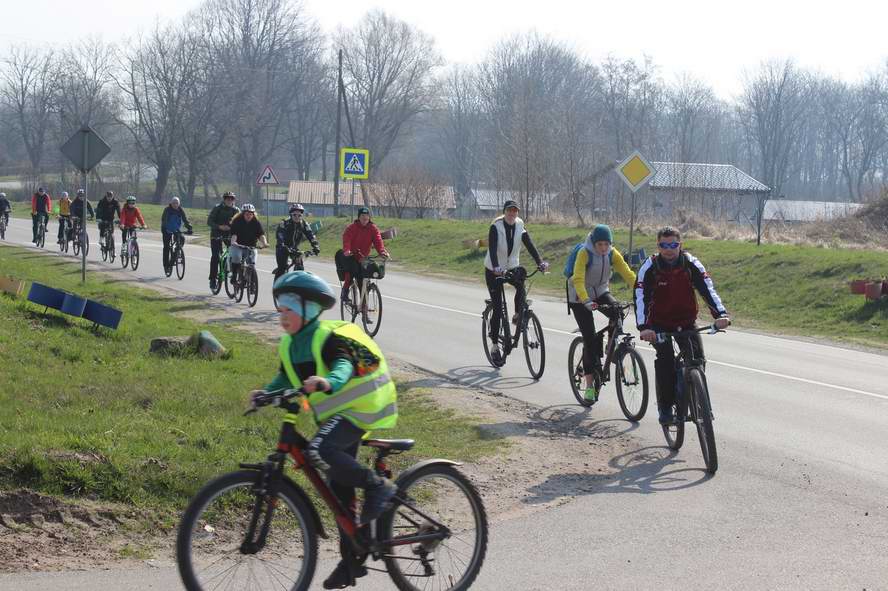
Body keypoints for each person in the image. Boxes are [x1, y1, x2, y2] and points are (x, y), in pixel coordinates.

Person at [251, 271, 397, 590]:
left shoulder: (327, 338)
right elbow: (284, 378)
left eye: (289, 307)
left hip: (363, 406)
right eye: (280, 307)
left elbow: (342, 364)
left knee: (319, 451)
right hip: (337, 415)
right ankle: (351, 562)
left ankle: (377, 486)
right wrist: (264, 393)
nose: (282, 314)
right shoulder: (290, 345)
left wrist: (329, 380)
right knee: (337, 491)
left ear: (309, 310)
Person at [635, 227, 730, 424]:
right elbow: (640, 297)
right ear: (658, 246)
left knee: (698, 360)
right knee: (665, 360)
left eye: (673, 245)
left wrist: (720, 314)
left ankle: (701, 404)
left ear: (680, 245)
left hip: (686, 321)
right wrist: (645, 327)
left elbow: (707, 288)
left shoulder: (691, 264)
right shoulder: (649, 267)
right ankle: (665, 407)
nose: (668, 249)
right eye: (664, 245)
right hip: (659, 324)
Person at [567, 224, 636, 403]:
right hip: (579, 296)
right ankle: (589, 387)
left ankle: (610, 349)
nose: (604, 248)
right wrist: (586, 300)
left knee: (617, 312)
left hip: (600, 291)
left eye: (607, 244)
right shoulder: (585, 253)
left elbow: (628, 274)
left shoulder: (612, 254)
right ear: (594, 243)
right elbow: (578, 279)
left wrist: (641, 292)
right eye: (600, 245)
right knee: (590, 340)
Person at [483, 200, 548, 364]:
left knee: (522, 284)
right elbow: (492, 248)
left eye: (515, 211)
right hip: (493, 269)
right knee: (497, 308)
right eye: (509, 211)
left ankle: (517, 315)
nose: (512, 214)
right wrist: (496, 267)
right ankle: (494, 347)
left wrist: (540, 262)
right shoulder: (496, 226)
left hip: (511, 266)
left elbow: (529, 244)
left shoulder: (520, 224)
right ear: (505, 212)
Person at [335, 206, 389, 303]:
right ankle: (344, 293)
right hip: (351, 256)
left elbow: (378, 241)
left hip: (363, 258)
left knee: (363, 279)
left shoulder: (373, 228)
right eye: (363, 215)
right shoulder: (352, 228)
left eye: (367, 216)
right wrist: (347, 250)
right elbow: (346, 239)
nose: (365, 218)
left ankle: (364, 310)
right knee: (351, 272)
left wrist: (382, 252)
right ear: (359, 217)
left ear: (369, 217)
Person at [273, 203, 320, 280]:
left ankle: (297, 285)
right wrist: (282, 244)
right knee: (282, 268)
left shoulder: (304, 224)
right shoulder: (284, 223)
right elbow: (280, 235)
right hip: (282, 248)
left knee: (300, 267)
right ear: (291, 215)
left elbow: (311, 235)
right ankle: (276, 288)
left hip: (294, 248)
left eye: (299, 215)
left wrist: (316, 246)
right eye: (295, 215)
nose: (297, 217)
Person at [207, 191, 240, 289]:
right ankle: (212, 279)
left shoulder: (236, 210)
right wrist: (219, 227)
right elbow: (209, 221)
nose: (229, 200)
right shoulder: (217, 208)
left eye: (231, 199)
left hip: (230, 235)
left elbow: (240, 223)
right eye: (227, 198)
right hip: (216, 234)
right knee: (216, 256)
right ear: (224, 199)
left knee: (234, 255)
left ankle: (232, 273)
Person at [228, 203, 267, 281]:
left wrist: (264, 243)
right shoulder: (237, 221)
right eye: (246, 214)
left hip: (251, 246)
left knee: (252, 262)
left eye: (250, 214)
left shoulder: (256, 222)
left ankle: (251, 279)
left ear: (253, 214)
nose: (248, 216)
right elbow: (234, 234)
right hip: (238, 245)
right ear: (243, 214)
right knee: (237, 257)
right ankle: (234, 275)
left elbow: (261, 235)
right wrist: (233, 242)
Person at [161, 196, 193, 272]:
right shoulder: (167, 210)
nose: (175, 205)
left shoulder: (180, 210)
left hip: (176, 229)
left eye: (177, 203)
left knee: (182, 238)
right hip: (166, 229)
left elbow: (185, 220)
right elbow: (164, 220)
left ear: (179, 204)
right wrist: (167, 229)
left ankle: (177, 250)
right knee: (166, 247)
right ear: (171, 203)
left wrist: (189, 227)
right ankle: (166, 266)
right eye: (174, 203)